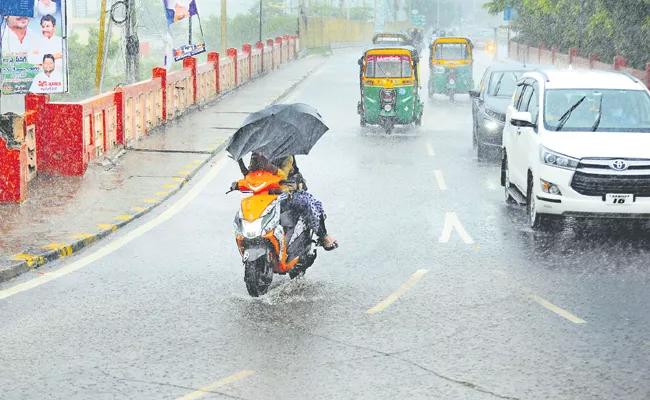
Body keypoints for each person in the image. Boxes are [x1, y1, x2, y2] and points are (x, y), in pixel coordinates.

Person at [233, 152, 339, 251]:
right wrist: (240, 163)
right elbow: (250, 175)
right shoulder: (256, 154)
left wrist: (267, 164)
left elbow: (283, 175)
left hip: (288, 192)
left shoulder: (287, 155)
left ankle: (323, 235)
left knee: (308, 204)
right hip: (264, 194)